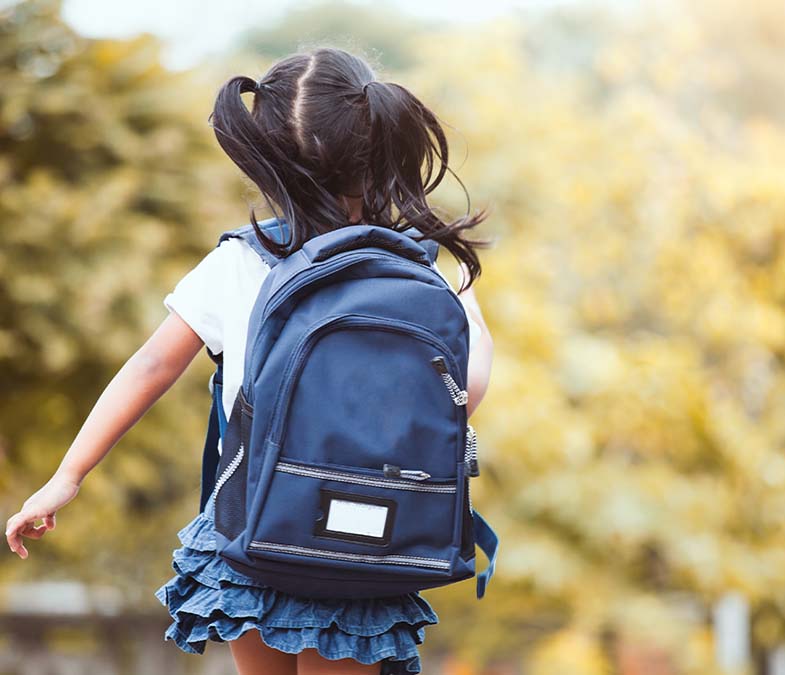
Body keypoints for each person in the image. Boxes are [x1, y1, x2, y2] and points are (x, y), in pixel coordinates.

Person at [5, 46, 494, 675]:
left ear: (267, 161)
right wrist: (469, 313)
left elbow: (151, 367)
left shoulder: (242, 262)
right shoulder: (422, 270)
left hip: (255, 523)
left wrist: (67, 476)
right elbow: (465, 395)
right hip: (370, 534)